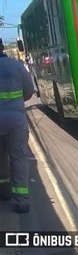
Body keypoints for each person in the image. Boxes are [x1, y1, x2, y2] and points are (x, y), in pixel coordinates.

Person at [0, 38, 35, 213]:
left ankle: (4, 191)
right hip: (16, 121)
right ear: (2, 47)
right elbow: (29, 91)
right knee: (19, 159)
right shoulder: (16, 66)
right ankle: (21, 201)